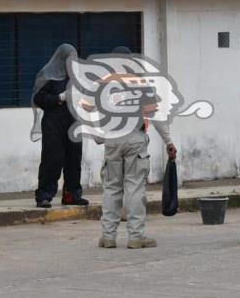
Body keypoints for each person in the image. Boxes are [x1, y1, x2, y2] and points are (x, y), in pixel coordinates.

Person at [98, 47, 177, 249]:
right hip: (134, 139)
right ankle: (135, 236)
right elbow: (156, 116)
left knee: (111, 187)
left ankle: (108, 236)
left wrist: (101, 137)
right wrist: (168, 142)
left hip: (112, 140)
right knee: (134, 187)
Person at [31, 43, 89, 208]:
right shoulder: (48, 75)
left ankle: (72, 194)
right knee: (52, 159)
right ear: (61, 59)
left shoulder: (77, 77)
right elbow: (38, 99)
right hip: (53, 122)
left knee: (74, 158)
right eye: (69, 59)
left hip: (73, 121)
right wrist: (60, 97)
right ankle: (44, 195)